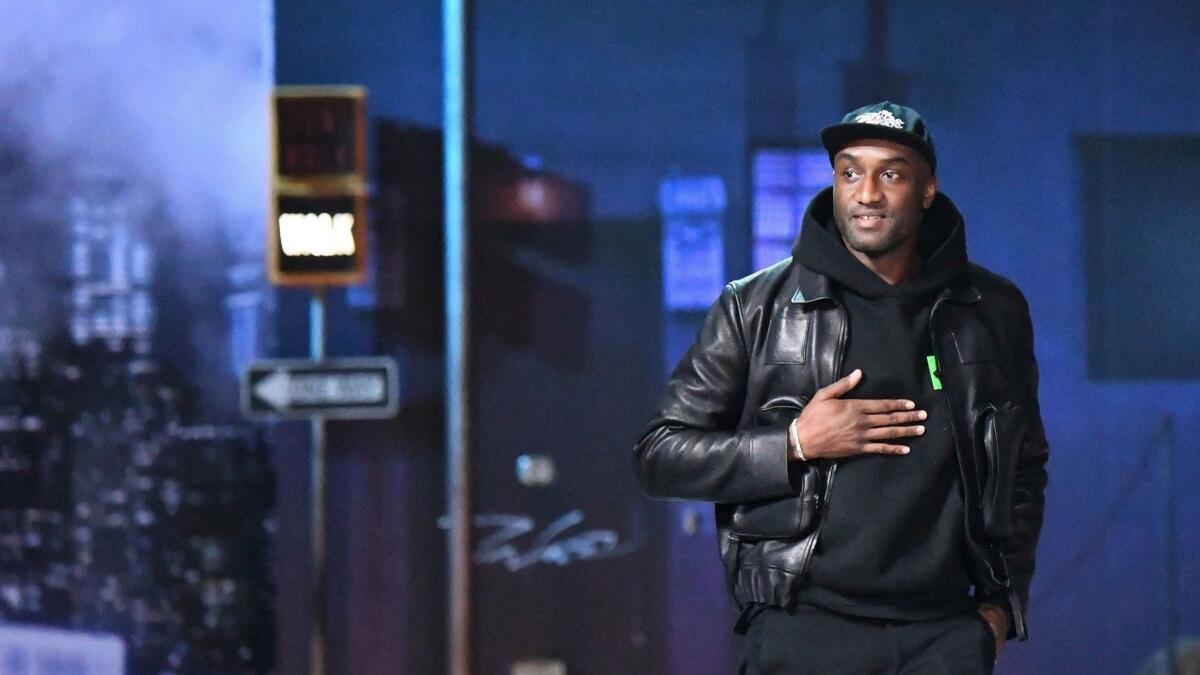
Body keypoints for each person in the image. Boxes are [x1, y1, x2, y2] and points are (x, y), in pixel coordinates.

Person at [634, 101, 1049, 674]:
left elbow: (1023, 469)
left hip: (944, 637)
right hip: (804, 629)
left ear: (928, 189)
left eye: (891, 174)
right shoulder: (758, 307)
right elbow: (659, 455)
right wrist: (794, 442)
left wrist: (1001, 609)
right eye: (850, 172)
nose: (867, 194)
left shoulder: (990, 310)